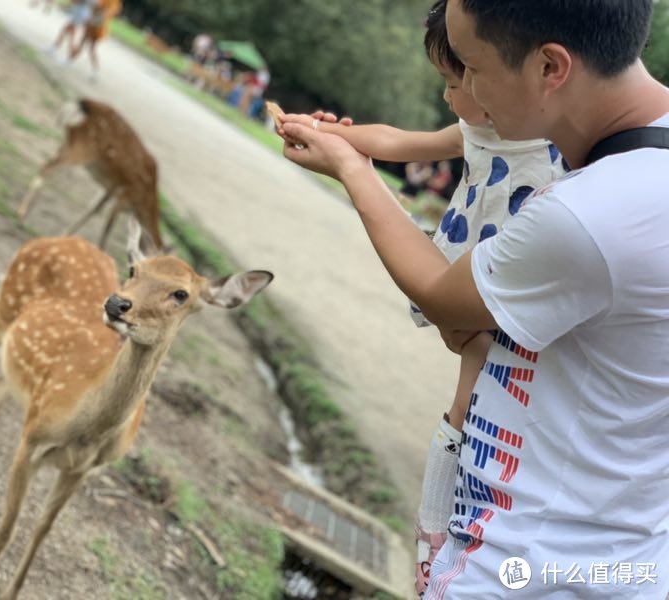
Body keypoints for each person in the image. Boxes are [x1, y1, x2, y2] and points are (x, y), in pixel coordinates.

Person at [280, 0, 669, 597]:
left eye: (470, 64)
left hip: (521, 563)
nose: (460, 89)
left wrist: (353, 170)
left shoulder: (590, 215)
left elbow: (442, 296)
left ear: (549, 68)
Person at [69, 0, 122, 81]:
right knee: (83, 43)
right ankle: (71, 60)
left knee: (91, 48)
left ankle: (94, 69)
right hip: (93, 22)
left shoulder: (114, 2)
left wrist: (100, 16)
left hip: (98, 26)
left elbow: (110, 11)